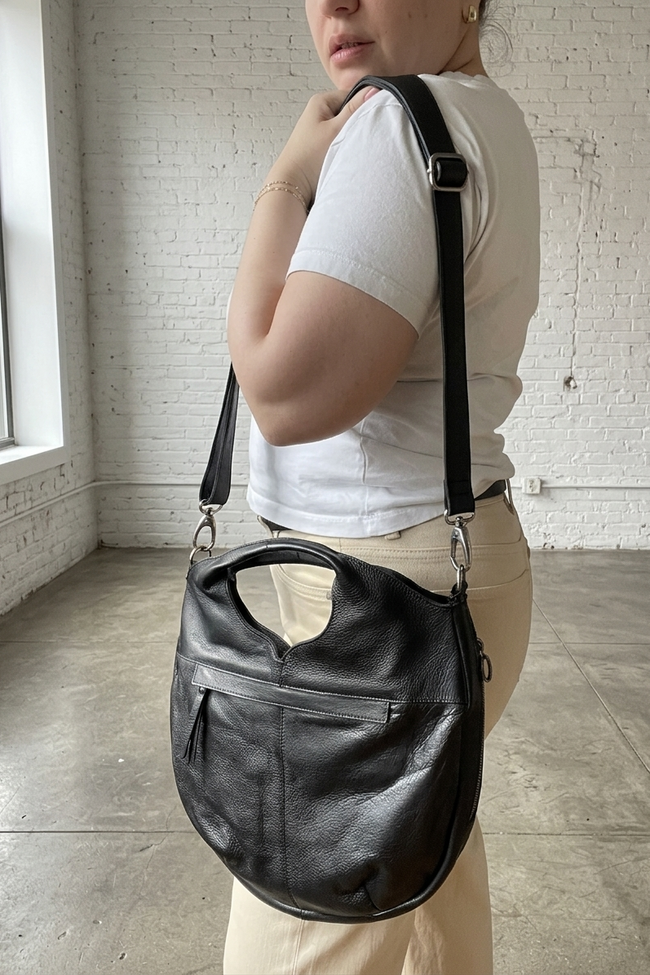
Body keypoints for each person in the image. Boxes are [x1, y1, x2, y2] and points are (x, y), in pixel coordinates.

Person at [224, 0, 540, 972]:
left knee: (303, 914)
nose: (333, 3)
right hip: (437, 559)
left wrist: (284, 181)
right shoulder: (486, 114)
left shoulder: (401, 124)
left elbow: (280, 392)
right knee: (430, 869)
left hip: (376, 589)